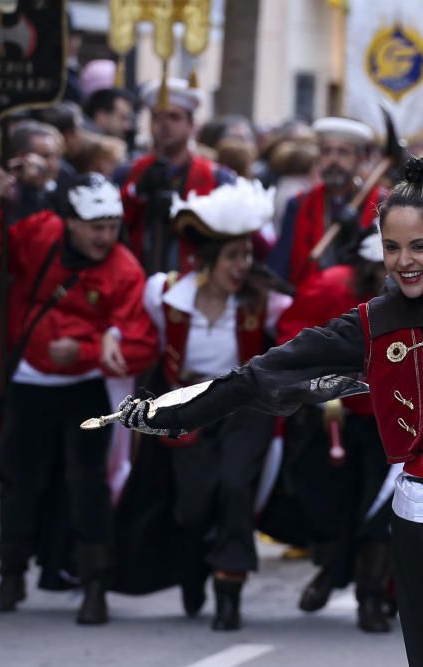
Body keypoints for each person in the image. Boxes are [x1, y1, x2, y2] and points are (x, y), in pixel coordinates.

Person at [113, 17, 423, 666]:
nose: (404, 261)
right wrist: (171, 409)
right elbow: (263, 374)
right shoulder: (377, 324)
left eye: (420, 246)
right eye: (392, 249)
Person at [0, 173, 158, 624]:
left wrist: (86, 352)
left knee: (88, 484)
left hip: (87, 387)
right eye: (95, 226)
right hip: (30, 383)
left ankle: (95, 585)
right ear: (70, 222)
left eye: (112, 226)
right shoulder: (40, 234)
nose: (105, 236)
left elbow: (140, 342)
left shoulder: (125, 269)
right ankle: (10, 573)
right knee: (18, 481)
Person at [130, 179, 291, 630]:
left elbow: (304, 328)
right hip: (188, 408)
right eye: (232, 257)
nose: (242, 266)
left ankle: (229, 591)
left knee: (236, 488)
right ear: (208, 260)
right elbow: (140, 338)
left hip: (246, 407)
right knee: (193, 503)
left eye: (246, 256)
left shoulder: (266, 302)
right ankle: (192, 564)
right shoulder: (166, 296)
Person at [278, 228, 395, 633]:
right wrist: (323, 384)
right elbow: (292, 340)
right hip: (335, 417)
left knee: (380, 508)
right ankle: (331, 570)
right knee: (330, 502)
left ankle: (371, 595)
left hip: (395, 421)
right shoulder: (331, 287)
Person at [120, 78, 235, 273]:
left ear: (191, 124)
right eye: (157, 117)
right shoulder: (128, 173)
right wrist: (136, 193)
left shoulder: (217, 177)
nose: (164, 125)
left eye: (174, 117)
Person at [271, 116, 382, 287]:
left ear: (359, 159)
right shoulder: (299, 204)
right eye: (326, 151)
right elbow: (281, 264)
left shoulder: (380, 203)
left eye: (343, 152)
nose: (333, 160)